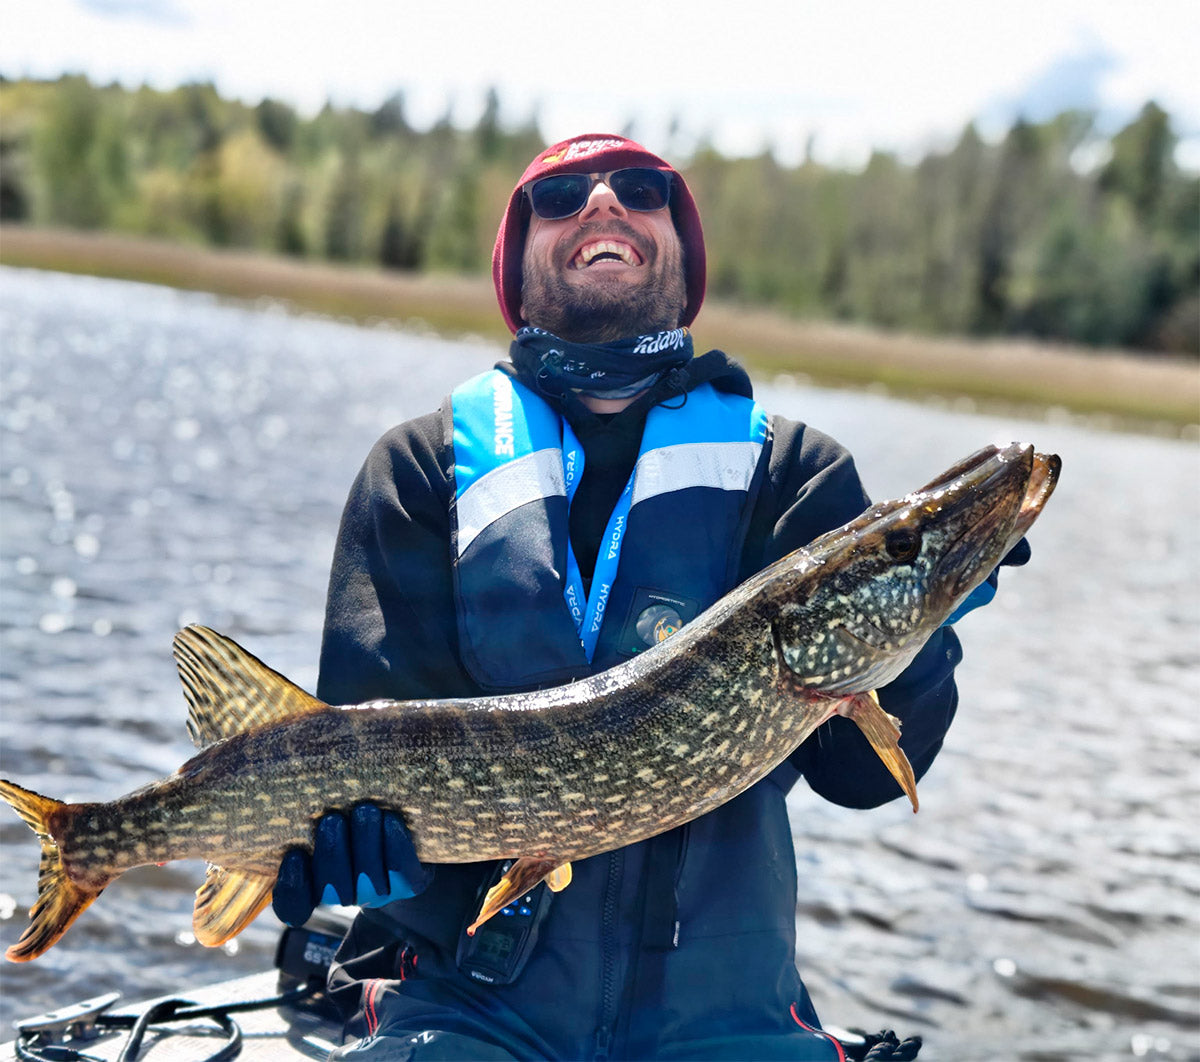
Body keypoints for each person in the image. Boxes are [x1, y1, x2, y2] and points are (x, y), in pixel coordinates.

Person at [272, 133, 1027, 1060]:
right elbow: (352, 746)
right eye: (559, 198)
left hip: (731, 1020)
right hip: (470, 1011)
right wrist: (361, 859)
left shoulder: (791, 474)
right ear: (517, 262)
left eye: (640, 188)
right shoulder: (424, 470)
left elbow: (864, 777)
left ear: (681, 254)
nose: (601, 204)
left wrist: (921, 633)